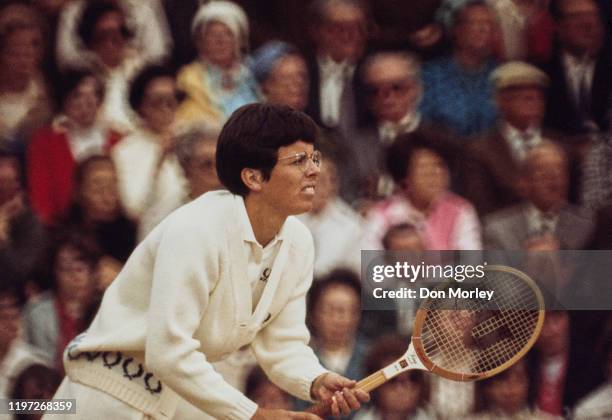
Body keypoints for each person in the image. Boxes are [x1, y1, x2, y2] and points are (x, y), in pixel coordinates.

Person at [46, 104, 369, 420]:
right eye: (298, 160)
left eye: (314, 157)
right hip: (105, 396)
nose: (314, 170)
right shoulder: (195, 229)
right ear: (254, 177)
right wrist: (254, 414)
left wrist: (315, 380)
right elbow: (169, 352)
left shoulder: (298, 241)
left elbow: (282, 345)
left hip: (175, 399)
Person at [176, 1, 259, 125]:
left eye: (228, 34)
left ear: (240, 40)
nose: (220, 41)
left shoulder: (255, 72)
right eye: (212, 35)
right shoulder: (188, 80)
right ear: (200, 42)